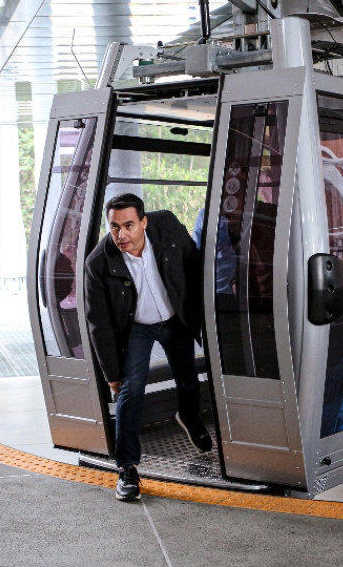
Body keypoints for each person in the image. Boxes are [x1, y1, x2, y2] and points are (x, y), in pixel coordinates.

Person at [85, 193, 212, 502]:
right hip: (136, 328)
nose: (121, 235)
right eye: (114, 227)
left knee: (188, 379)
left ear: (144, 221)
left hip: (174, 317)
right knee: (129, 392)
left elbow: (195, 263)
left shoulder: (166, 225)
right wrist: (111, 373)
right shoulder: (99, 262)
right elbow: (98, 323)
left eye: (128, 225)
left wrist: (202, 311)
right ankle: (127, 468)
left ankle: (189, 417)